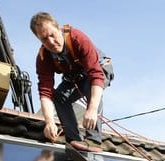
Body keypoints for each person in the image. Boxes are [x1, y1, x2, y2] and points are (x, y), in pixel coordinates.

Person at [30, 12, 110, 152]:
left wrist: (92, 110)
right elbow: (45, 92)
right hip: (75, 77)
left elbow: (96, 75)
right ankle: (73, 139)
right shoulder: (44, 57)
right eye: (44, 39)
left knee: (90, 86)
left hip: (99, 70)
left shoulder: (78, 38)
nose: (51, 42)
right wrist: (49, 122)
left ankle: (93, 140)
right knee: (59, 97)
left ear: (58, 28)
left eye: (52, 35)